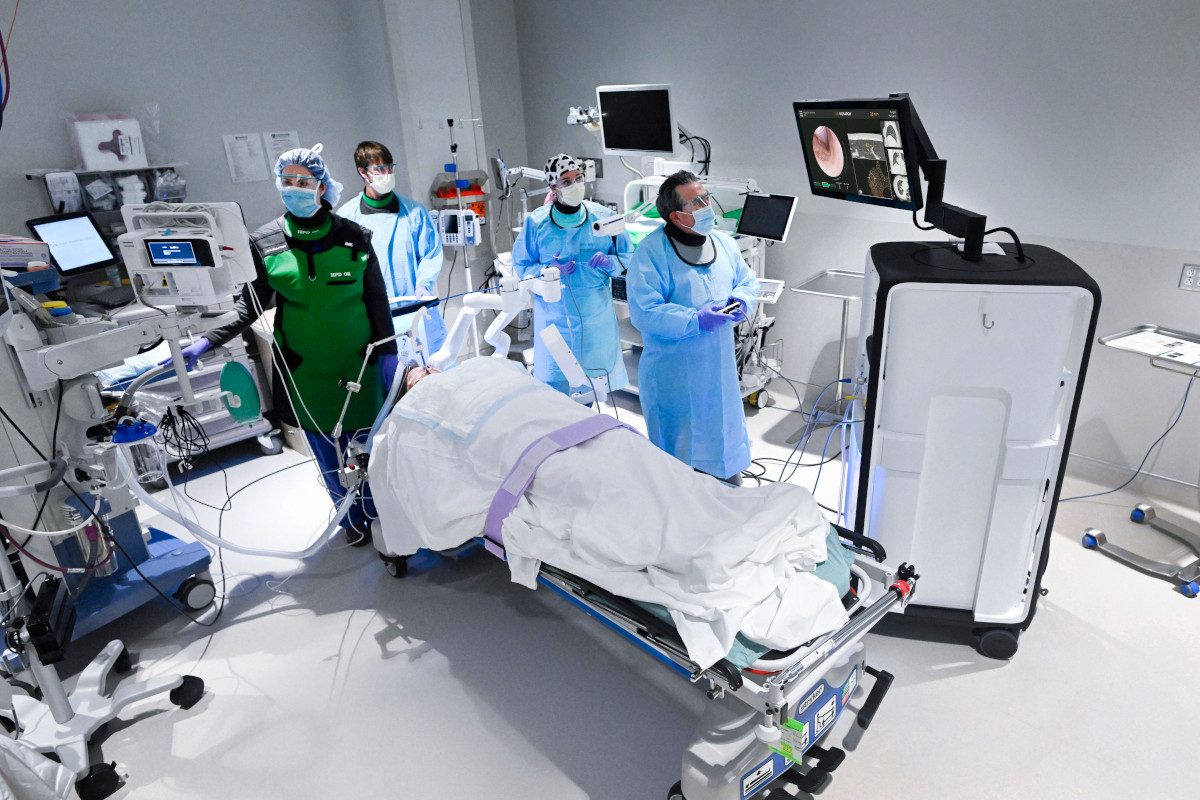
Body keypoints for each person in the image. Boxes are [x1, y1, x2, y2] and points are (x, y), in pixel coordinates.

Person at [193, 144, 399, 546]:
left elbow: (377, 300)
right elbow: (248, 307)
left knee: (368, 451)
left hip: (359, 364)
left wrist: (388, 353)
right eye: (287, 181)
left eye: (304, 181)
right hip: (304, 371)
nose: (295, 188)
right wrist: (205, 340)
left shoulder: (354, 237)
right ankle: (350, 520)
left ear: (322, 187)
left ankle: (378, 515)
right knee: (327, 457)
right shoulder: (265, 242)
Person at [626, 170, 759, 485]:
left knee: (722, 443)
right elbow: (645, 312)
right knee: (680, 461)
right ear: (676, 216)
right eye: (697, 202)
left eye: (706, 197)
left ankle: (728, 499)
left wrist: (740, 299)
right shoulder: (651, 253)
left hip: (719, 371)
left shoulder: (723, 243)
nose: (707, 205)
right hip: (674, 377)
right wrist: (695, 319)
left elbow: (747, 280)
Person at [512, 153, 633, 395]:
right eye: (566, 182)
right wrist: (548, 271)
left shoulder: (604, 217)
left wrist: (610, 261)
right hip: (554, 315)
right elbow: (522, 266)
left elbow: (628, 257)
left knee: (594, 386)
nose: (575, 185)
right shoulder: (537, 223)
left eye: (578, 178)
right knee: (556, 389)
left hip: (595, 316)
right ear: (553, 187)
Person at [337, 140, 447, 354]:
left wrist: (424, 285)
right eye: (379, 169)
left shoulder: (414, 212)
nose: (386, 173)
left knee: (430, 370)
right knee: (387, 375)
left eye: (390, 168)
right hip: (372, 314)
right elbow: (343, 268)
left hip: (415, 309)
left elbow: (431, 254)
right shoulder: (347, 219)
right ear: (363, 172)